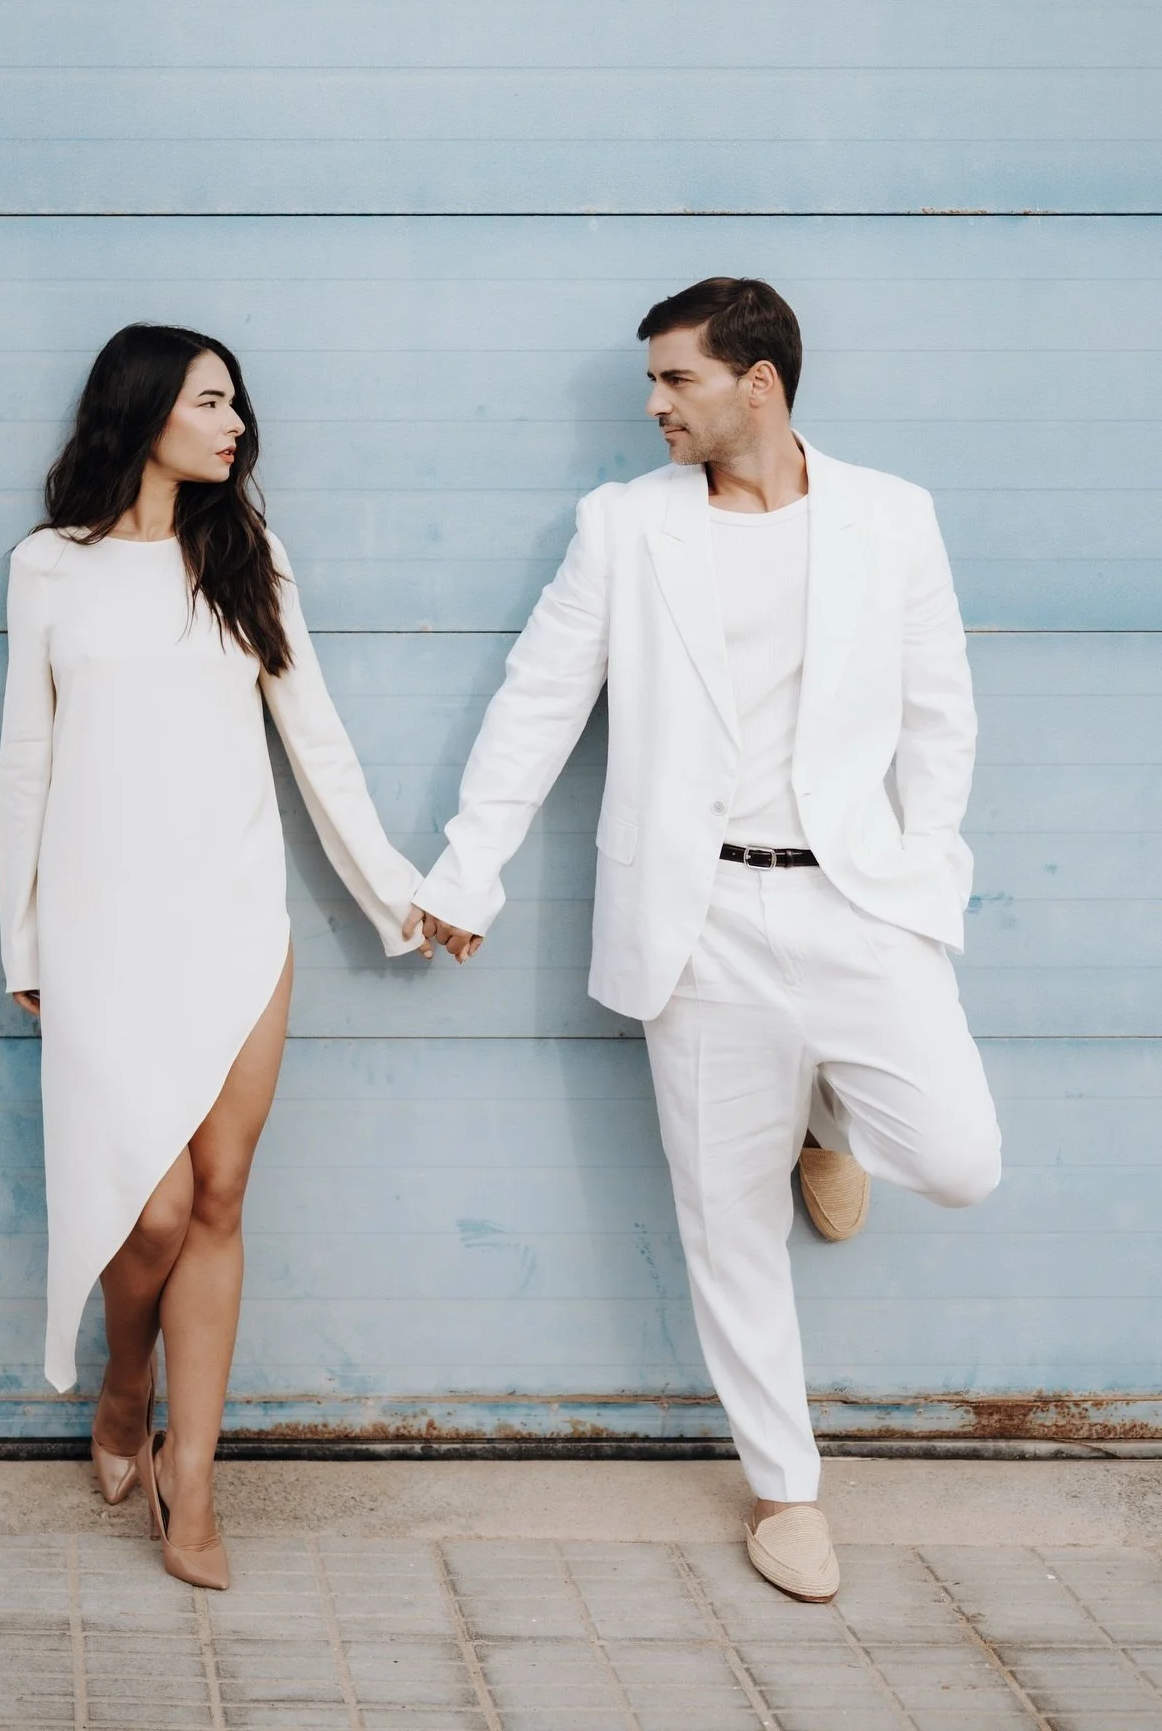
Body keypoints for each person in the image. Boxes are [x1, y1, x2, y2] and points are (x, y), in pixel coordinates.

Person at [405, 278, 1001, 1602]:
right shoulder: (625, 529)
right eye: (653, 382)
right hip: (704, 919)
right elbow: (537, 704)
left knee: (960, 1157)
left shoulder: (892, 519)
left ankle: (827, 1125)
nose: (654, 404)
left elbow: (940, 715)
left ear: (762, 384)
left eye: (677, 379)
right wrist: (468, 869)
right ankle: (787, 1490)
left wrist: (924, 873)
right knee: (727, 1224)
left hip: (858, 904)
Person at [0, 323, 429, 1589]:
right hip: (99, 929)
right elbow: (27, 758)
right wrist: (18, 936)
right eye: (211, 401)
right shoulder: (48, 570)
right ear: (143, 411)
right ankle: (126, 1380)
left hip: (235, 917)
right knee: (155, 1216)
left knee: (222, 1197)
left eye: (237, 404)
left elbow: (320, 742)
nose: (235, 425)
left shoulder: (248, 556)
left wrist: (399, 899)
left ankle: (193, 1486)